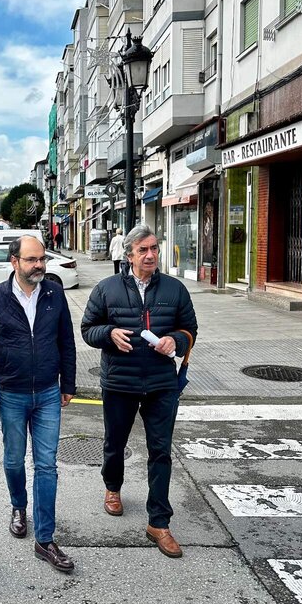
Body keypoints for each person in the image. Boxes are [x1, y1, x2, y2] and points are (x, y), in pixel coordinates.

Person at [81, 223, 197, 559]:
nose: (150, 255)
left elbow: (190, 329)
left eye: (154, 249)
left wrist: (175, 340)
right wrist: (108, 334)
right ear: (129, 254)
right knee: (114, 443)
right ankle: (113, 487)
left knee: (160, 451)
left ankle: (159, 522)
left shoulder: (175, 290)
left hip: (161, 383)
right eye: (143, 250)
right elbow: (88, 328)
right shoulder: (106, 289)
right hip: (120, 382)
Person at [0, 235, 77, 573]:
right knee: (12, 458)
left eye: (42, 259)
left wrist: (70, 383)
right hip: (11, 392)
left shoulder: (54, 292)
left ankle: (45, 538)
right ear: (14, 262)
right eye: (32, 260)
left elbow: (66, 338)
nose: (39, 265)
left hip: (49, 391)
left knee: (47, 465)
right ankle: (19, 506)